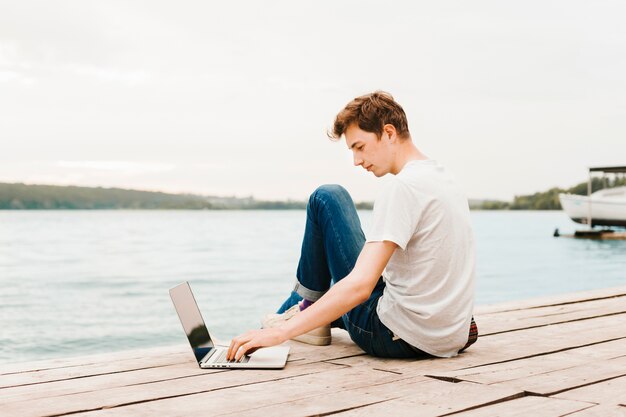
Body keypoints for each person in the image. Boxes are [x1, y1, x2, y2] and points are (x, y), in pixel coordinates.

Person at [227, 91, 477, 361]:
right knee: (354, 256)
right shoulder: (444, 178)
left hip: (397, 336)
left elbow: (360, 287)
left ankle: (299, 308)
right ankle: (303, 309)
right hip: (451, 334)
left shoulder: (402, 187)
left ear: (389, 133)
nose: (357, 161)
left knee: (327, 197)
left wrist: (279, 334)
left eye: (359, 147)